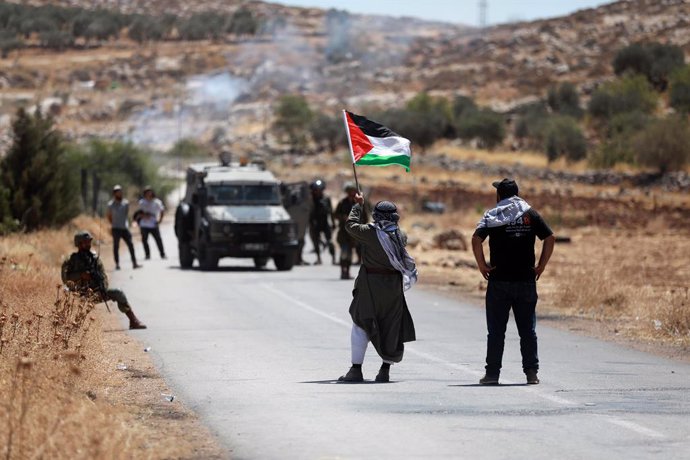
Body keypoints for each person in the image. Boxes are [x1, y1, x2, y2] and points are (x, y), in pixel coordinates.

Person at [471, 178, 555, 385]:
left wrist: (482, 265)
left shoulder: (493, 215)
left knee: (496, 331)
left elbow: (476, 239)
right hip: (526, 280)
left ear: (499, 195)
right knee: (528, 331)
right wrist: (541, 266)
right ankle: (531, 373)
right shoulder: (530, 214)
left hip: (499, 281)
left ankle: (492, 374)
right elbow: (550, 238)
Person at [338, 195, 418, 383]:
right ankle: (384, 370)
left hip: (370, 286)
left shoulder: (370, 232)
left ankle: (356, 370)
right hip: (393, 288)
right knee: (391, 326)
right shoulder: (400, 235)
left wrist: (358, 206)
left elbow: (350, 225)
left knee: (361, 321)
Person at [61, 231, 147, 329]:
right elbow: (65, 279)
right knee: (64, 297)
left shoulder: (94, 259)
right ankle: (70, 328)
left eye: (89, 242)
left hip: (95, 293)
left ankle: (133, 321)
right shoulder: (71, 260)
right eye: (86, 242)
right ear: (79, 244)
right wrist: (81, 275)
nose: (88, 244)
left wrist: (100, 288)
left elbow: (104, 277)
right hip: (77, 295)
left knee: (118, 293)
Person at [334, 182, 365, 279]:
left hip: (354, 233)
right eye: (350, 191)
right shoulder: (342, 203)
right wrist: (343, 217)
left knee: (350, 254)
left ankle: (347, 272)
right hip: (344, 232)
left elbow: (365, 217)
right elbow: (335, 214)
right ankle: (343, 272)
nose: (351, 193)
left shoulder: (360, 204)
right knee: (344, 253)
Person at [107, 184, 141, 270]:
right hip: (116, 228)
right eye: (118, 192)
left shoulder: (125, 203)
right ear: (114, 194)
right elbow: (109, 216)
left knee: (130, 244)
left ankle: (134, 263)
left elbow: (126, 214)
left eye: (120, 192)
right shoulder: (110, 204)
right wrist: (113, 224)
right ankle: (117, 264)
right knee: (116, 246)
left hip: (124, 228)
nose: (120, 193)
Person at [308, 179, 336, 265]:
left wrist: (333, 222)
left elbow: (331, 212)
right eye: (316, 190)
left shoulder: (326, 199)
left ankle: (334, 258)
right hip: (314, 223)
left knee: (330, 241)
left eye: (319, 190)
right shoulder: (311, 199)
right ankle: (318, 258)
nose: (318, 192)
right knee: (315, 241)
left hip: (325, 222)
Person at [136, 186, 166, 260]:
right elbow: (138, 213)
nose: (149, 193)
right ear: (145, 193)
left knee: (158, 239)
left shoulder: (157, 202)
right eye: (147, 192)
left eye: (150, 192)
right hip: (144, 224)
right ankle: (147, 255)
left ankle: (162, 254)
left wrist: (160, 220)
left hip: (153, 223)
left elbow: (162, 210)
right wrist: (144, 215)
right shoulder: (142, 202)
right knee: (144, 240)